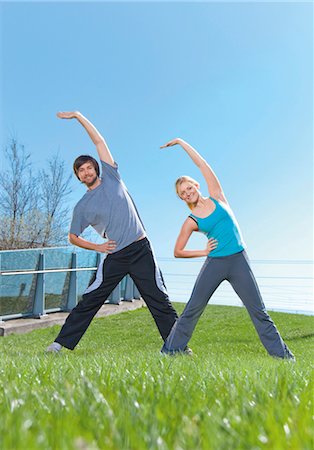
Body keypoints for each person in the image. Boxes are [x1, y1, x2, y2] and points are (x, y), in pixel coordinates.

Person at [47, 111, 179, 353]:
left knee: (158, 297)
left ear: (97, 168)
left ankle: (177, 346)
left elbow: (99, 142)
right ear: (78, 177)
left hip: (140, 249)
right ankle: (60, 344)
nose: (86, 172)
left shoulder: (112, 177)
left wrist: (78, 116)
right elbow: (72, 237)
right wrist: (97, 247)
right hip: (115, 255)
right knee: (91, 299)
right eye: (81, 170)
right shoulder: (82, 207)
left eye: (89, 167)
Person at [160, 138, 295, 360]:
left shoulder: (218, 196)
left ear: (196, 185)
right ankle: (170, 351)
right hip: (215, 263)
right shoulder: (191, 220)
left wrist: (181, 143)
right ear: (181, 198)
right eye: (182, 193)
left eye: (189, 188)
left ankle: (284, 357)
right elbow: (178, 251)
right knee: (193, 308)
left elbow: (202, 164)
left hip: (239, 260)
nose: (187, 193)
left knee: (258, 311)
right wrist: (203, 252)